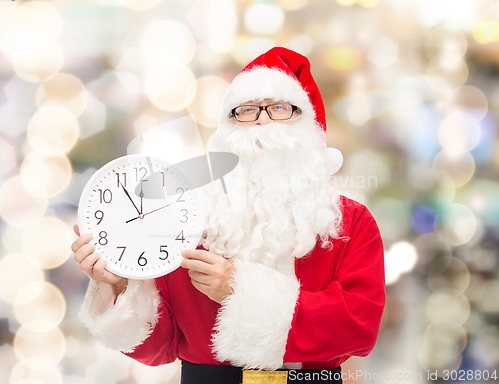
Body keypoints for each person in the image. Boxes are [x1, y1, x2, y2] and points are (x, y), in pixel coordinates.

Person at [71, 47, 386, 384]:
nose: (263, 119)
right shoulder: (187, 222)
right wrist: (120, 284)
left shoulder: (351, 222)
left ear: (308, 126)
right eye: (247, 110)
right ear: (226, 130)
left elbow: (358, 327)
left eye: (280, 108)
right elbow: (159, 347)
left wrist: (239, 289)